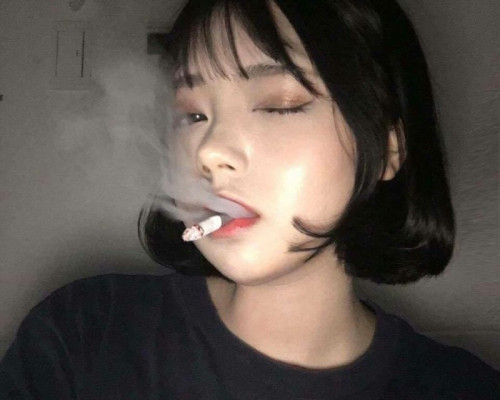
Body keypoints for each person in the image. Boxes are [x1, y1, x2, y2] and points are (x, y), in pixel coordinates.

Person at [1, 0, 499, 398]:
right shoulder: (84, 335)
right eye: (192, 115)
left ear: (389, 149)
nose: (209, 151)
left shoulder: (464, 389)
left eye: (280, 105)